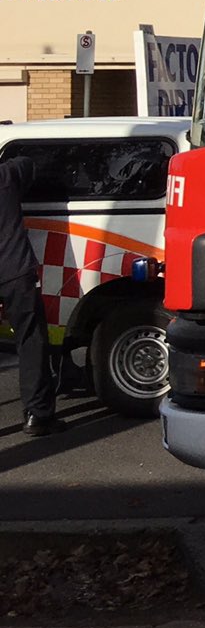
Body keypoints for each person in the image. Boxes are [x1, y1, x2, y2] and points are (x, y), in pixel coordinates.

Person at [0, 153, 63, 437]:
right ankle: (37, 415)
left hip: (14, 270)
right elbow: (29, 164)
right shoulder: (7, 176)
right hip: (14, 271)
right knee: (30, 339)